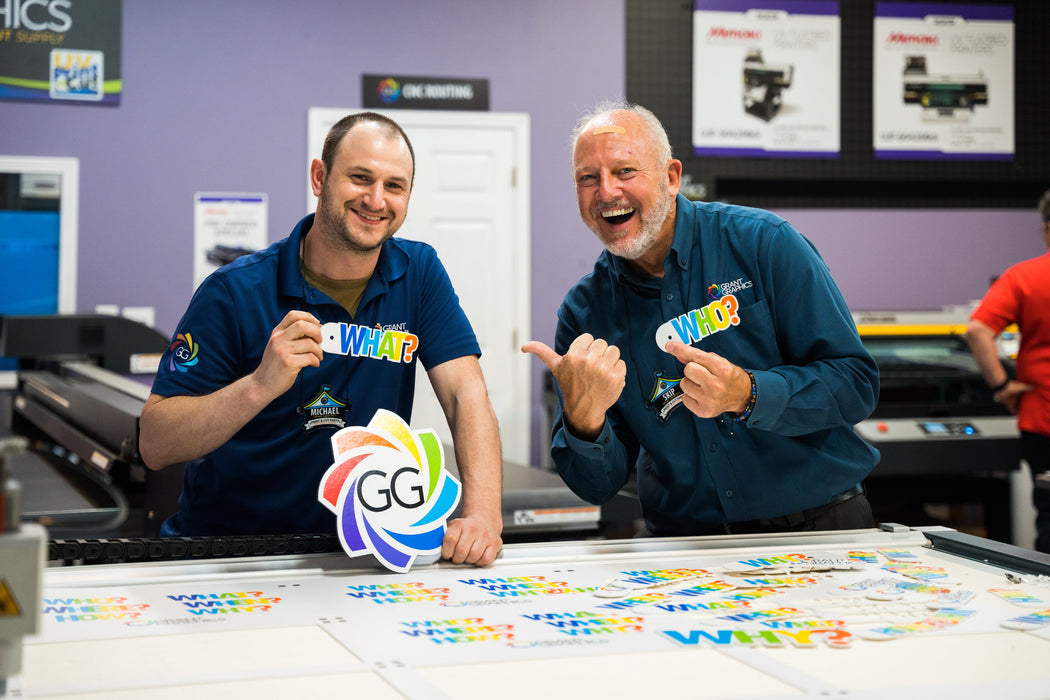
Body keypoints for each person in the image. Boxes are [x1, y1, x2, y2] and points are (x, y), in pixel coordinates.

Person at [139, 112, 503, 566]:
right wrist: (258, 386)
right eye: (360, 178)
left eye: (394, 186)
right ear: (319, 177)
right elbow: (154, 444)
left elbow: (466, 394)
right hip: (229, 555)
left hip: (357, 556)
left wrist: (483, 514)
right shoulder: (233, 292)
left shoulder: (419, 274)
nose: (376, 199)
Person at [522, 101, 879, 537]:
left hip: (820, 528)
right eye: (587, 178)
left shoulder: (764, 244)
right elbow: (597, 486)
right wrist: (584, 419)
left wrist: (749, 393)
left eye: (625, 171)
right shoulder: (585, 312)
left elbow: (856, 384)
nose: (607, 192)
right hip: (687, 547)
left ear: (671, 177)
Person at [965, 189, 1050, 554]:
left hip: (1043, 419)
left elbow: (977, 331)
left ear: (1046, 228)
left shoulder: (1026, 276)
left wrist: (1002, 385)